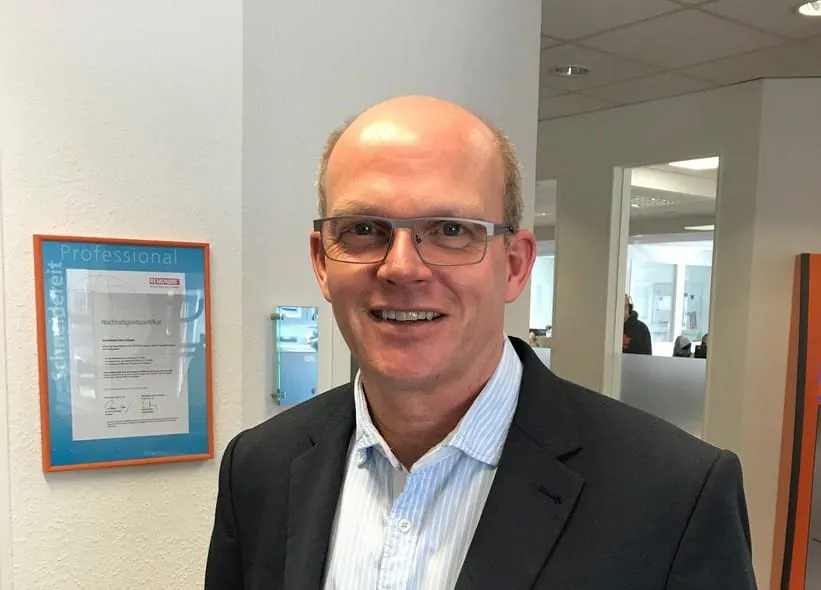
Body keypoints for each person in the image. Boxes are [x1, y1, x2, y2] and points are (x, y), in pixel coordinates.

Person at [205, 96, 756, 589]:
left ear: (514, 266)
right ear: (323, 262)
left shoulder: (675, 496)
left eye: (451, 230)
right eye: (364, 230)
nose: (402, 268)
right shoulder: (259, 468)